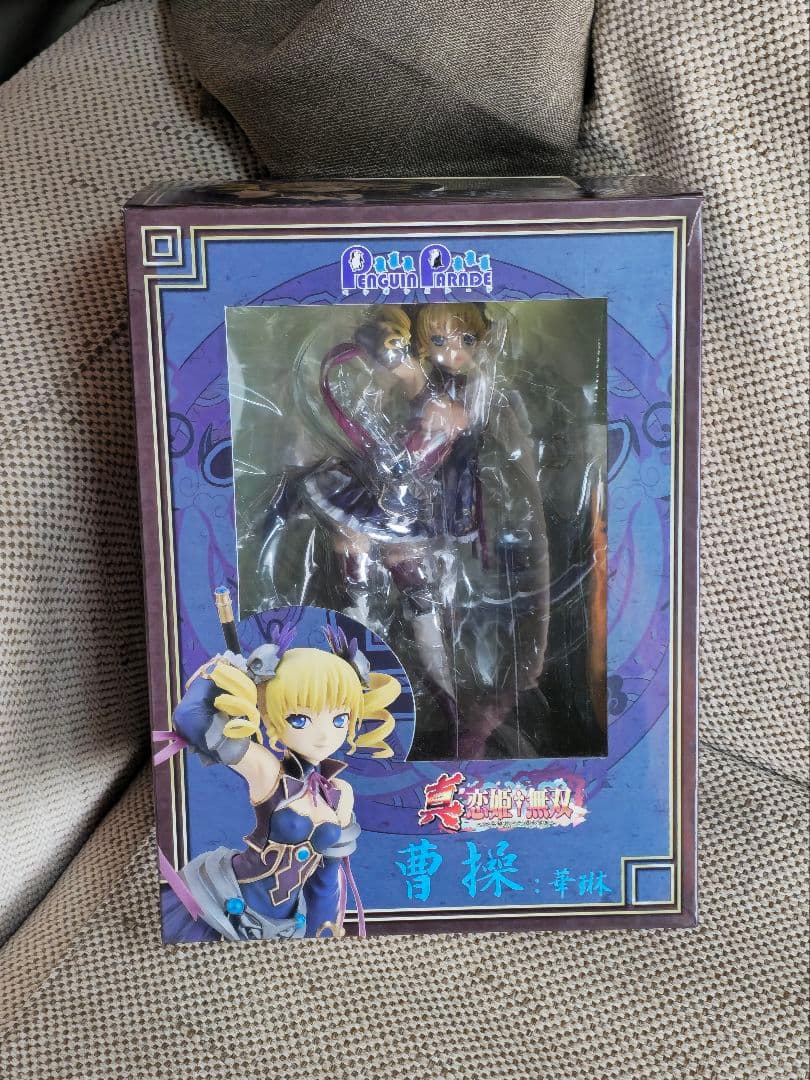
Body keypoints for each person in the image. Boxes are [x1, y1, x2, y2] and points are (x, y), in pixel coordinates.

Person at [160, 619, 400, 941]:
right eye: (300, 719)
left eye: (339, 718)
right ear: (270, 716)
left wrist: (321, 935)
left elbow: (327, 879)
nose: (324, 735)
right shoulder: (267, 771)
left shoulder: (340, 793)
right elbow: (190, 718)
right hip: (225, 906)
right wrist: (227, 670)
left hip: (286, 924)